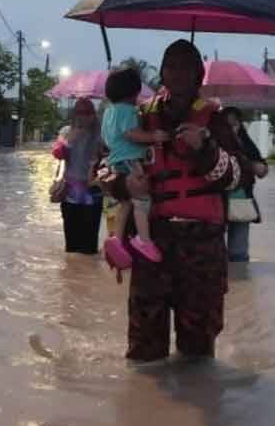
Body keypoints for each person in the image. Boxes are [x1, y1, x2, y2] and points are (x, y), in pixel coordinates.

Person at [101, 39, 251, 362]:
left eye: (187, 66)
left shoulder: (215, 121)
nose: (179, 73)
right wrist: (124, 184)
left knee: (198, 355)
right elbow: (101, 170)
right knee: (144, 353)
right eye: (172, 66)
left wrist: (205, 151)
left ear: (199, 74)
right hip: (151, 245)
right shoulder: (137, 116)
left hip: (202, 248)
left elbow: (242, 175)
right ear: (162, 73)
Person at [101, 67, 170, 263]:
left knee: (126, 201)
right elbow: (131, 133)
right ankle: (144, 239)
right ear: (133, 91)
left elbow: (107, 139)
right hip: (131, 159)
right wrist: (153, 137)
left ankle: (117, 238)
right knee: (143, 199)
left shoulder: (109, 112)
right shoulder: (128, 110)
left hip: (116, 161)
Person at [51, 98, 103, 254]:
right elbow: (57, 153)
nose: (83, 117)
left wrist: (100, 153)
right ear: (74, 115)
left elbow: (110, 155)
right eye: (79, 113)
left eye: (87, 113)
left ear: (93, 115)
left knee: (89, 246)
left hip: (93, 190)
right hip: (70, 192)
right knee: (71, 246)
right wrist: (70, 140)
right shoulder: (66, 131)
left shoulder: (101, 133)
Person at [221, 106, 269, 262]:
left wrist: (253, 165)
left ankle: (241, 278)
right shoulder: (213, 144)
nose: (232, 128)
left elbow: (262, 170)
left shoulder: (246, 144)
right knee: (215, 250)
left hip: (241, 200)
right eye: (228, 125)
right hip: (215, 202)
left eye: (235, 124)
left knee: (239, 253)